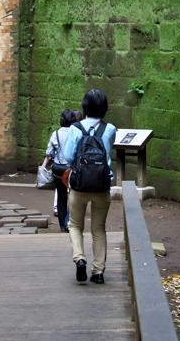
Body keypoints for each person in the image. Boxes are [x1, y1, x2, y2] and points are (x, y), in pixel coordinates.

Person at [62, 89, 117, 284]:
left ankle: (80, 258)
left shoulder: (76, 128)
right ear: (104, 108)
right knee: (99, 229)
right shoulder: (109, 129)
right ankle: (98, 272)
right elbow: (108, 153)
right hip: (102, 185)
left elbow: (68, 156)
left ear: (84, 106)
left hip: (79, 185)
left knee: (75, 225)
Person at [45, 109, 80, 232]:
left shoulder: (56, 134)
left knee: (61, 196)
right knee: (74, 196)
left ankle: (62, 225)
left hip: (58, 169)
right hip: (72, 169)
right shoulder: (77, 133)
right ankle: (69, 221)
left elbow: (49, 151)